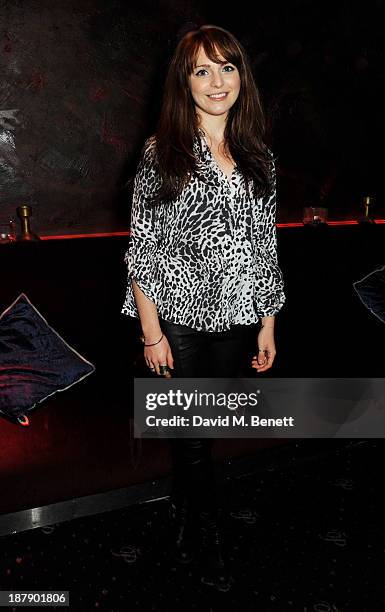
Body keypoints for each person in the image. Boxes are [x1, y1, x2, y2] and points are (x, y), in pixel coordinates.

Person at [122, 24, 285, 588]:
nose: (218, 81)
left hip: (239, 317)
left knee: (203, 427)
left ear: (242, 75)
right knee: (193, 437)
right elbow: (142, 250)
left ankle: (185, 509)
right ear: (184, 82)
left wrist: (267, 325)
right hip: (179, 320)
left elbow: (265, 246)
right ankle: (204, 529)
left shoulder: (257, 152)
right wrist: (151, 333)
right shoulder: (159, 153)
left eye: (228, 66)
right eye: (202, 69)